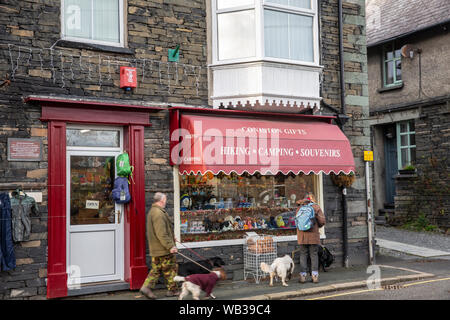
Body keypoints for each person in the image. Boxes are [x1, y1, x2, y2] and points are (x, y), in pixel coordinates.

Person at [140, 192, 179, 299]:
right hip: (163, 249)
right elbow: (161, 233)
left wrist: (172, 238)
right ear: (161, 200)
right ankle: (173, 290)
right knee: (171, 268)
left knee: (156, 269)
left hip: (156, 248)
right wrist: (170, 246)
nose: (166, 201)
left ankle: (146, 287)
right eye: (165, 199)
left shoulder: (154, 211)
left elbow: (162, 231)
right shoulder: (158, 213)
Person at [296, 192, 326, 284]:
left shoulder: (299, 208)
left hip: (302, 236)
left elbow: (297, 222)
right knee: (314, 255)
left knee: (303, 254)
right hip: (313, 235)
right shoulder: (316, 207)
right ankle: (314, 276)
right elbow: (322, 221)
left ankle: (303, 277)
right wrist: (317, 225)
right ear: (312, 199)